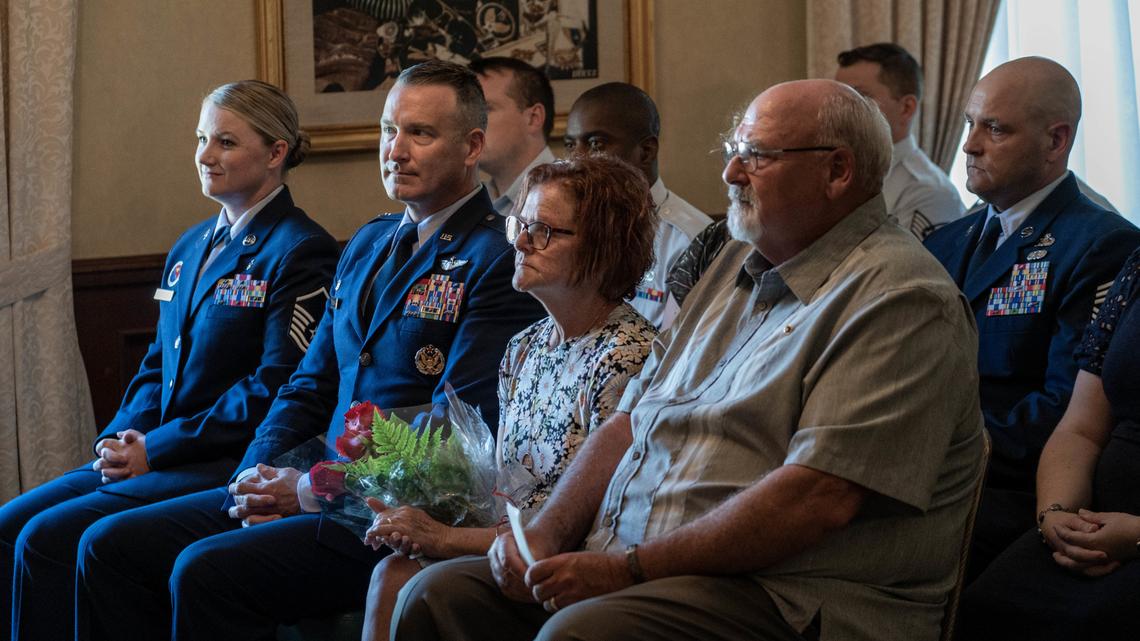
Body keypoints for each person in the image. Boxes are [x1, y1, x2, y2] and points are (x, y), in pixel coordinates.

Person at [392, 79, 984, 641]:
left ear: (837, 170)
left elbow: (814, 499)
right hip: (640, 558)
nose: (730, 172)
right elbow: (629, 417)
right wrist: (544, 535)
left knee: (584, 632)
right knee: (436, 595)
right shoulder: (734, 262)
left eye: (757, 156)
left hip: (787, 594)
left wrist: (628, 569)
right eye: (734, 151)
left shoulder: (901, 300)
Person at [72, 60, 545, 641]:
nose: (395, 150)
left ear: (472, 146)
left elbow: (454, 428)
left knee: (206, 572)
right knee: (109, 545)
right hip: (312, 479)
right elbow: (308, 381)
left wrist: (310, 487)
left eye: (420, 134)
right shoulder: (370, 240)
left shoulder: (495, 256)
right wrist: (255, 470)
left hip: (395, 512)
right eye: (387, 130)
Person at [0, 80, 339, 641]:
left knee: (50, 537)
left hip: (217, 457)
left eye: (226, 142)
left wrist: (155, 450)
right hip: (154, 451)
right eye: (202, 139)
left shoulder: (301, 249)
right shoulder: (190, 247)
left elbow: (274, 386)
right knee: (10, 525)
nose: (206, 155)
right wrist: (121, 438)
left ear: (276, 152)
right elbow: (157, 365)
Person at [360, 156, 659, 641]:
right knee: (393, 570)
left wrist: (443, 537)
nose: (519, 242)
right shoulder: (525, 347)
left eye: (542, 231)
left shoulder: (627, 356)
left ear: (604, 248)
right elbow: (507, 495)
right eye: (520, 224)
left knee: (430, 584)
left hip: (574, 563)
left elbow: (588, 524)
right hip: (512, 543)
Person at [924, 56, 1140, 580]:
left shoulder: (1100, 244)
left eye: (994, 128)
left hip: (1009, 480)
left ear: (1055, 140)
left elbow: (1065, 405)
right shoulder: (943, 241)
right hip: (926, 463)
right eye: (970, 123)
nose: (970, 144)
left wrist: (937, 449)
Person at [956, 247, 1140, 639]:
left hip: (1130, 534)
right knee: (986, 606)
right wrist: (1056, 515)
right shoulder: (1137, 266)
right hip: (1093, 521)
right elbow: (1080, 430)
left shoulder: (1100, 242)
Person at [563, 82, 710, 329]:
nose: (577, 160)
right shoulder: (567, 229)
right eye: (570, 145)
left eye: (596, 144)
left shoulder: (689, 241)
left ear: (646, 151)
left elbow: (684, 354)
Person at [835, 42, 964, 238]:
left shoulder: (928, 192)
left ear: (906, 108)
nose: (841, 109)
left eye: (860, 97)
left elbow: (913, 268)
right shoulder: (836, 173)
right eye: (837, 97)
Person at [469, 57, 557, 215]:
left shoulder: (577, 198)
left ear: (533, 118)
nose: (468, 123)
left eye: (485, 109)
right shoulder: (474, 203)